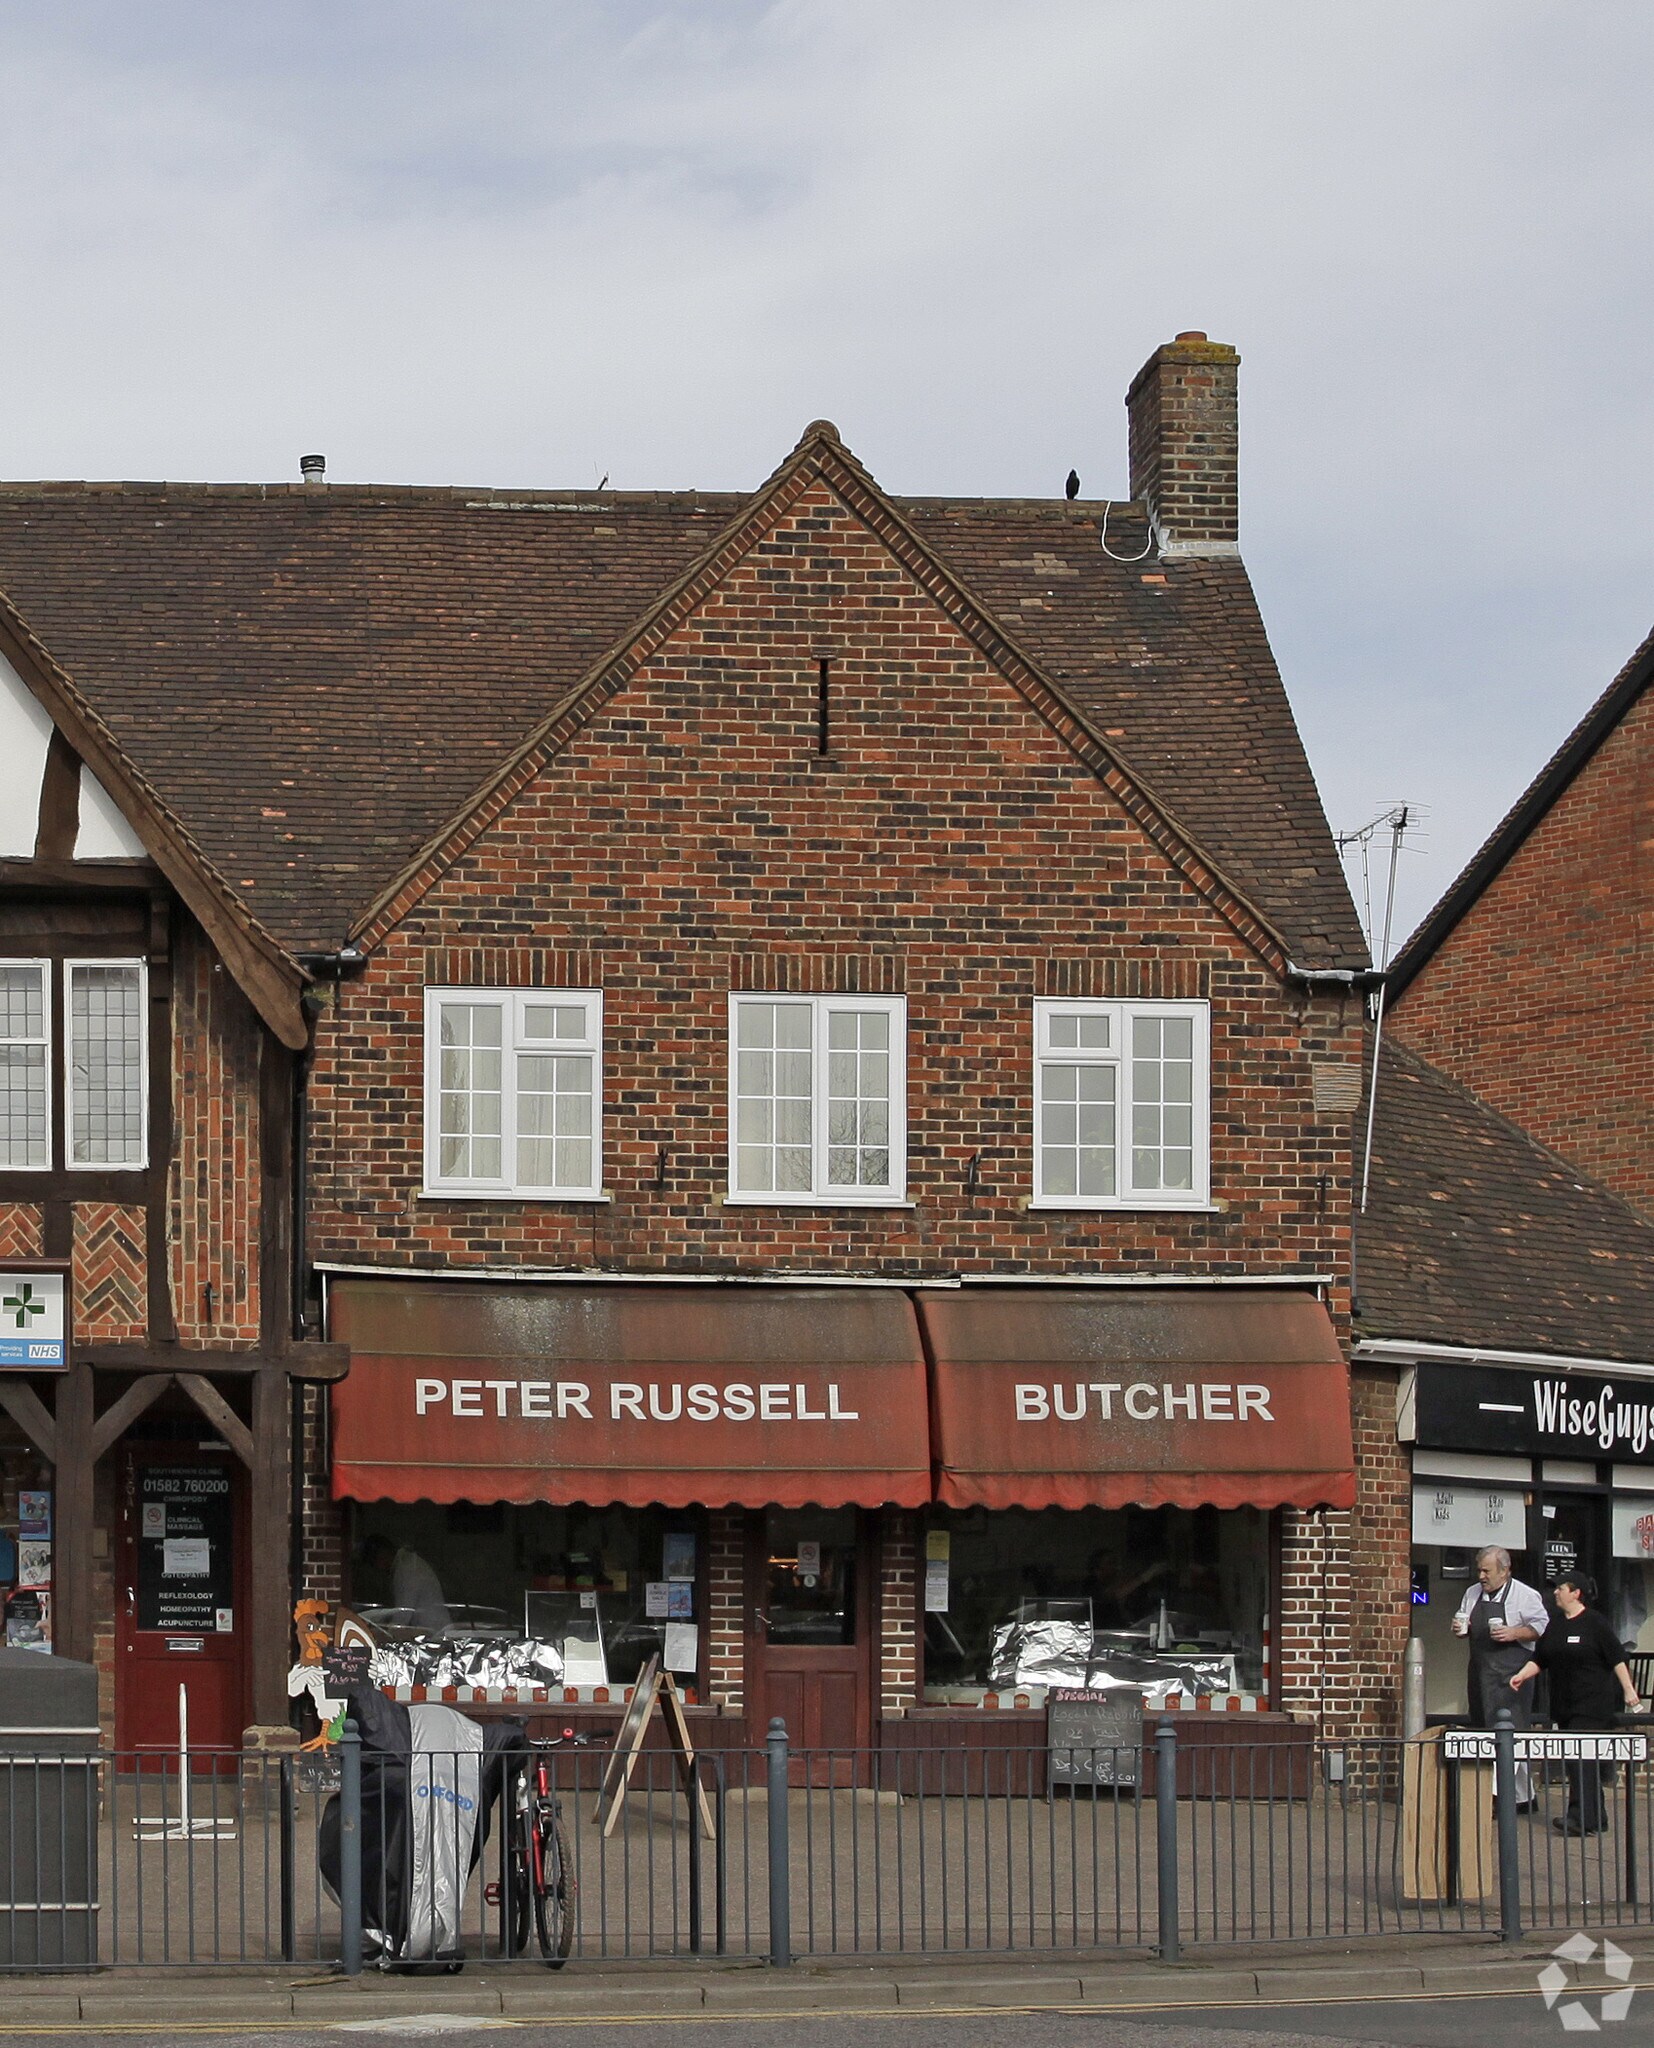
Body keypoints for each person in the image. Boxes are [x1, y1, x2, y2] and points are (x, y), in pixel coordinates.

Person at [1510, 1572, 1641, 1835]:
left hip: (1592, 1706)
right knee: (1578, 1762)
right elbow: (1541, 1657)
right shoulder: (1556, 1625)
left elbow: (1617, 1657)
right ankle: (1597, 1817)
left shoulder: (1595, 1623)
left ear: (1576, 1593)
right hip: (1565, 1706)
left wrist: (1629, 1691)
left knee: (1582, 1761)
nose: (1556, 1592)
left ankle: (1580, 1818)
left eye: (1561, 1588)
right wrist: (1521, 1675)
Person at [1451, 1544, 1549, 1806]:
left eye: (1487, 1571)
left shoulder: (1525, 1596)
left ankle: (1495, 1797)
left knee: (1509, 1732)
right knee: (1484, 1728)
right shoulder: (1472, 1593)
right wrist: (1460, 1629)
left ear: (1505, 1571)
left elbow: (1541, 1627)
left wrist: (1514, 1633)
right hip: (1481, 1672)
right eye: (1479, 1570)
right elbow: (1464, 1624)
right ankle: (1524, 1797)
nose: (1481, 1576)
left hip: (1512, 1674)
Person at [360, 1532, 450, 1632]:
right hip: (429, 1630)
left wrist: (385, 1634)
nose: (377, 1568)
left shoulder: (407, 1569)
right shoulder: (406, 1564)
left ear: (383, 1554)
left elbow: (403, 1614)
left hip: (434, 1633)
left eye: (374, 1562)